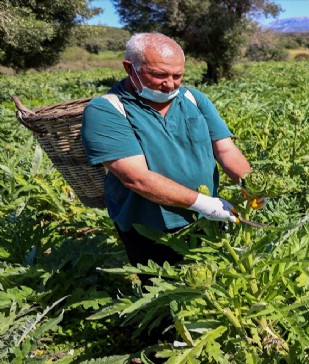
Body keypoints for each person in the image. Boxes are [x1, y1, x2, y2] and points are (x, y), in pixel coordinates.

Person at [82, 32, 251, 267]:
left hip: (208, 218)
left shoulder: (192, 98)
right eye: (159, 75)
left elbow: (225, 150)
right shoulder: (106, 110)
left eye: (177, 75)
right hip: (150, 229)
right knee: (163, 292)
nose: (170, 84)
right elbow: (136, 178)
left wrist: (253, 187)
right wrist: (204, 203)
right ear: (130, 69)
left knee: (214, 287)